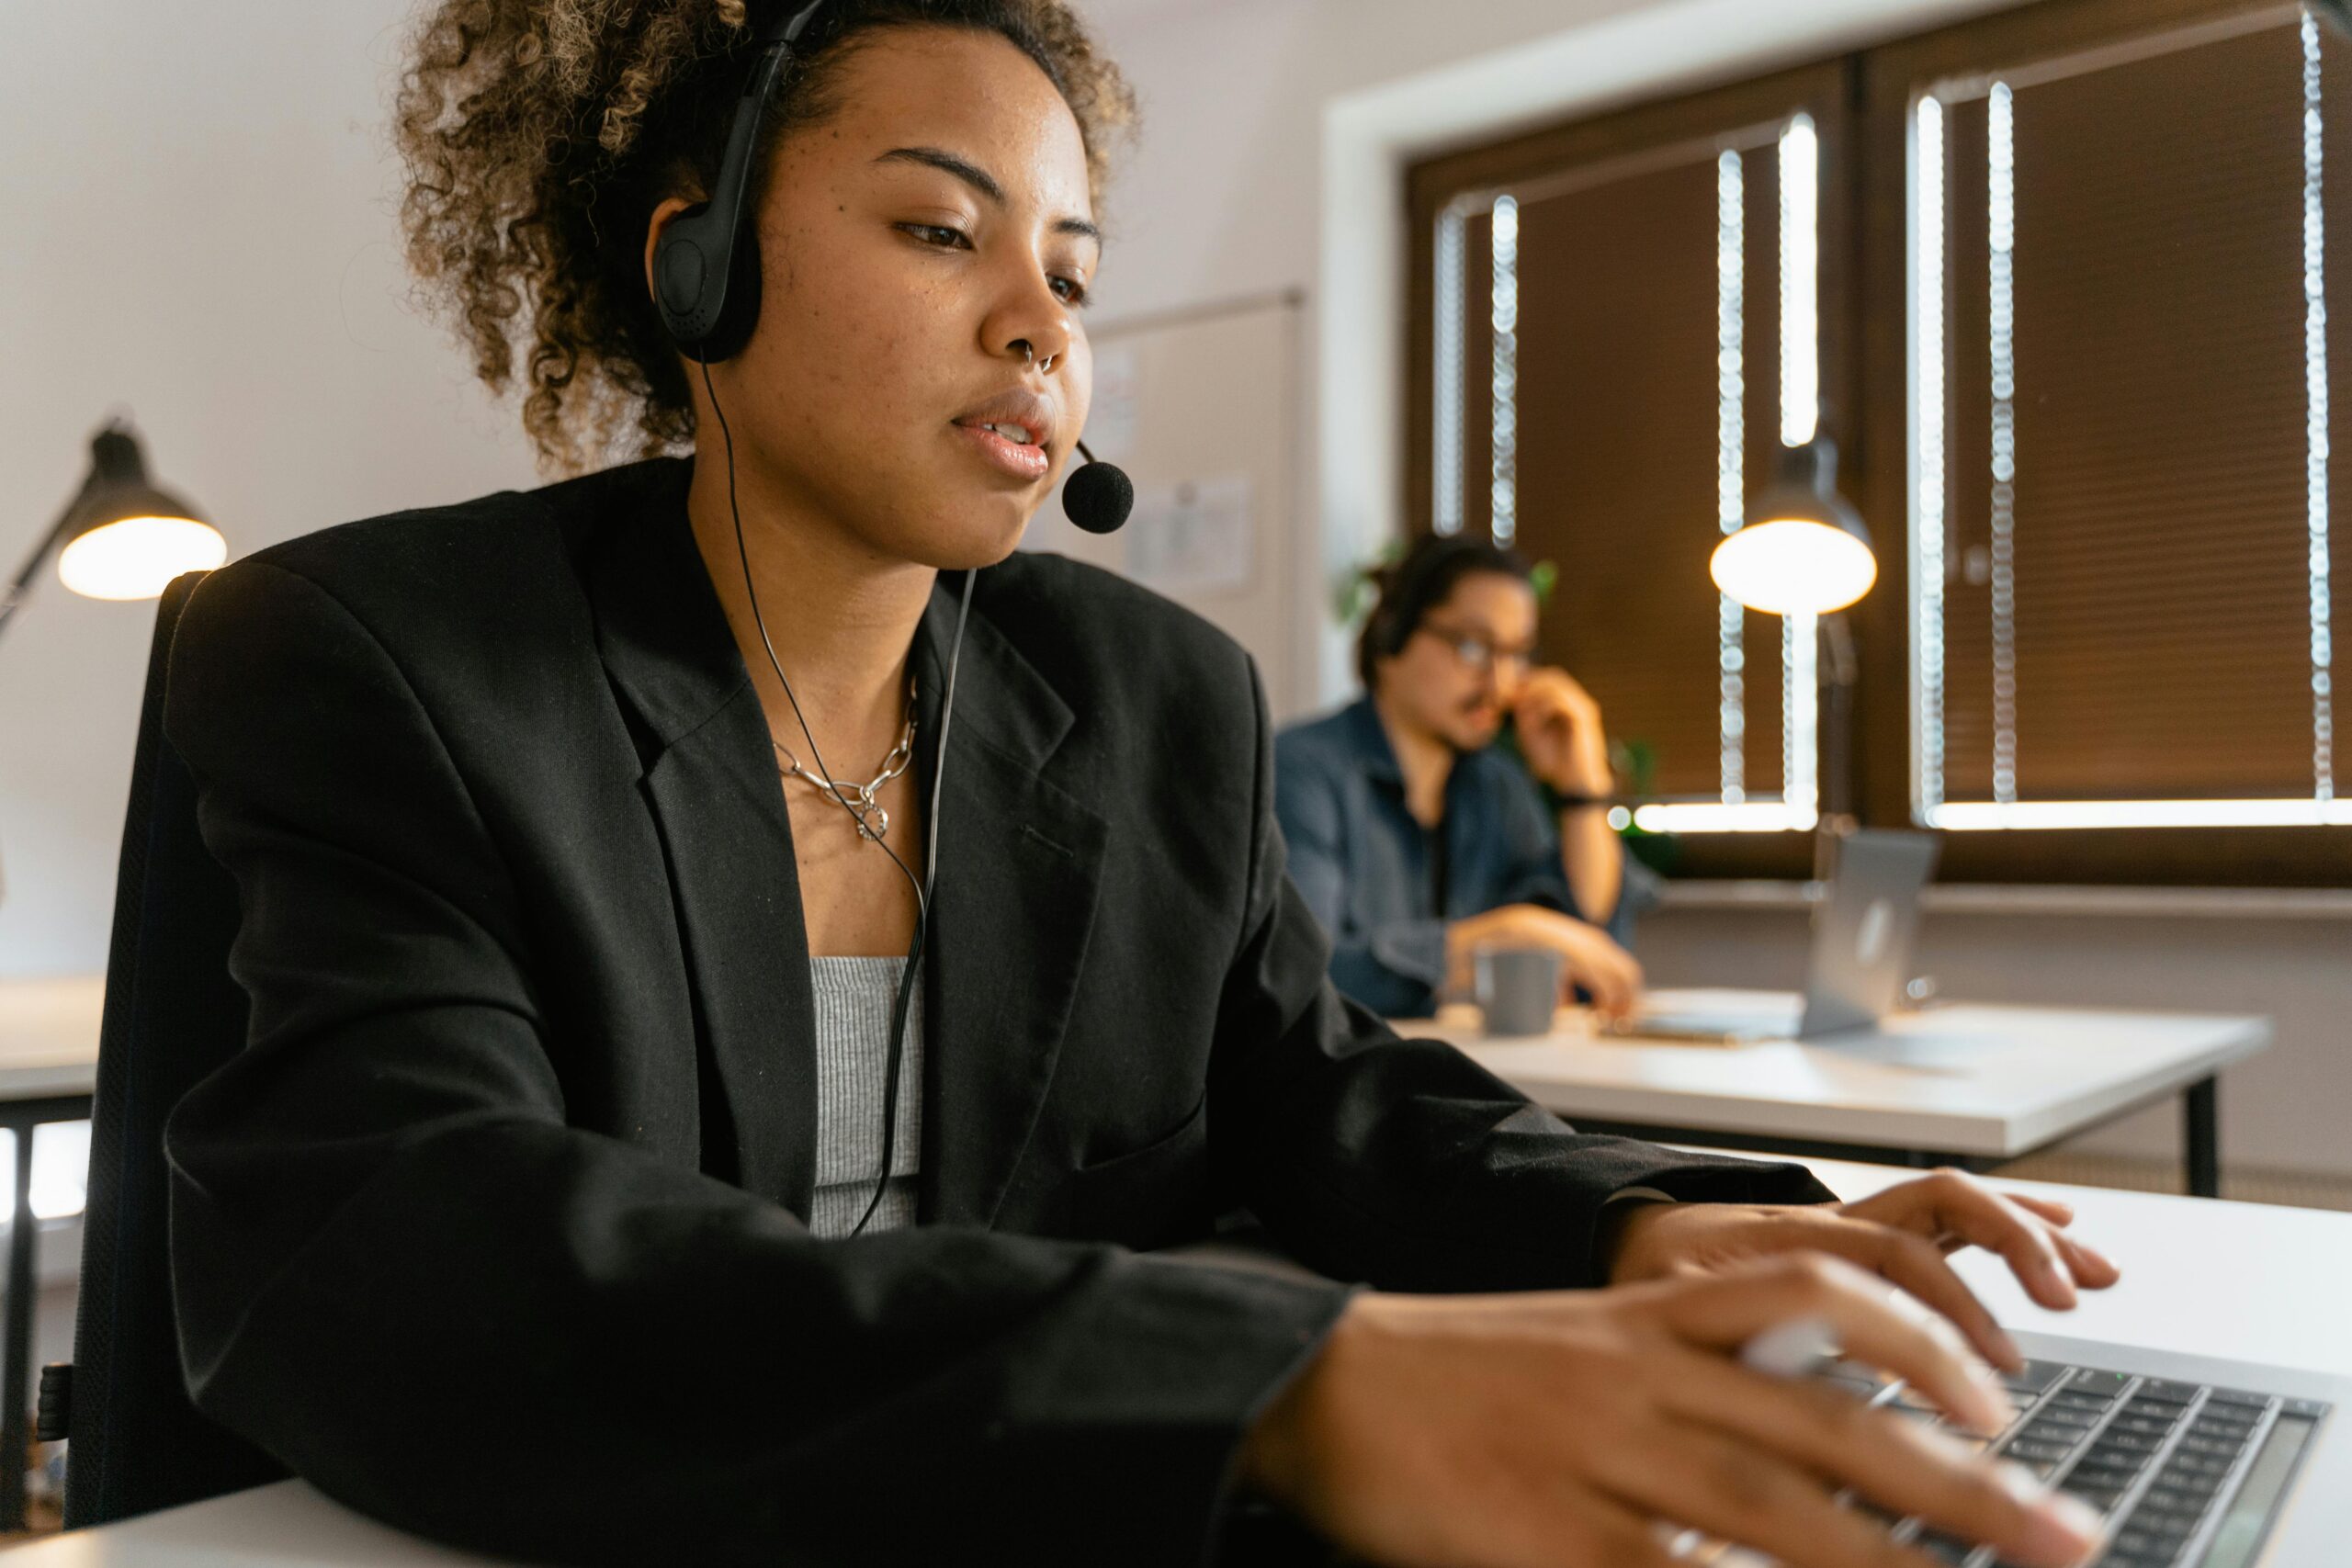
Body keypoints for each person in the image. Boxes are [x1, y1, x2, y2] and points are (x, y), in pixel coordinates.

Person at [157, 4, 2115, 1565]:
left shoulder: (1151, 691)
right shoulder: (386, 654)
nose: (1038, 323)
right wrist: (1293, 1388)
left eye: (1071, 275)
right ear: (694, 275)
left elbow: (1315, 1076)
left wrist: (1632, 1223)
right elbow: (415, 1238)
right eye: (939, 230)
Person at [1277, 534, 1649, 1019]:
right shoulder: (1302, 768)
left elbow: (1589, 953)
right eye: (1472, 647)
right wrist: (1507, 935)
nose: (1500, 683)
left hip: (1468, 1074)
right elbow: (1300, 974)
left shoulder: (1494, 783)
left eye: (1516, 653)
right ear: (1392, 635)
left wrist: (1583, 785)